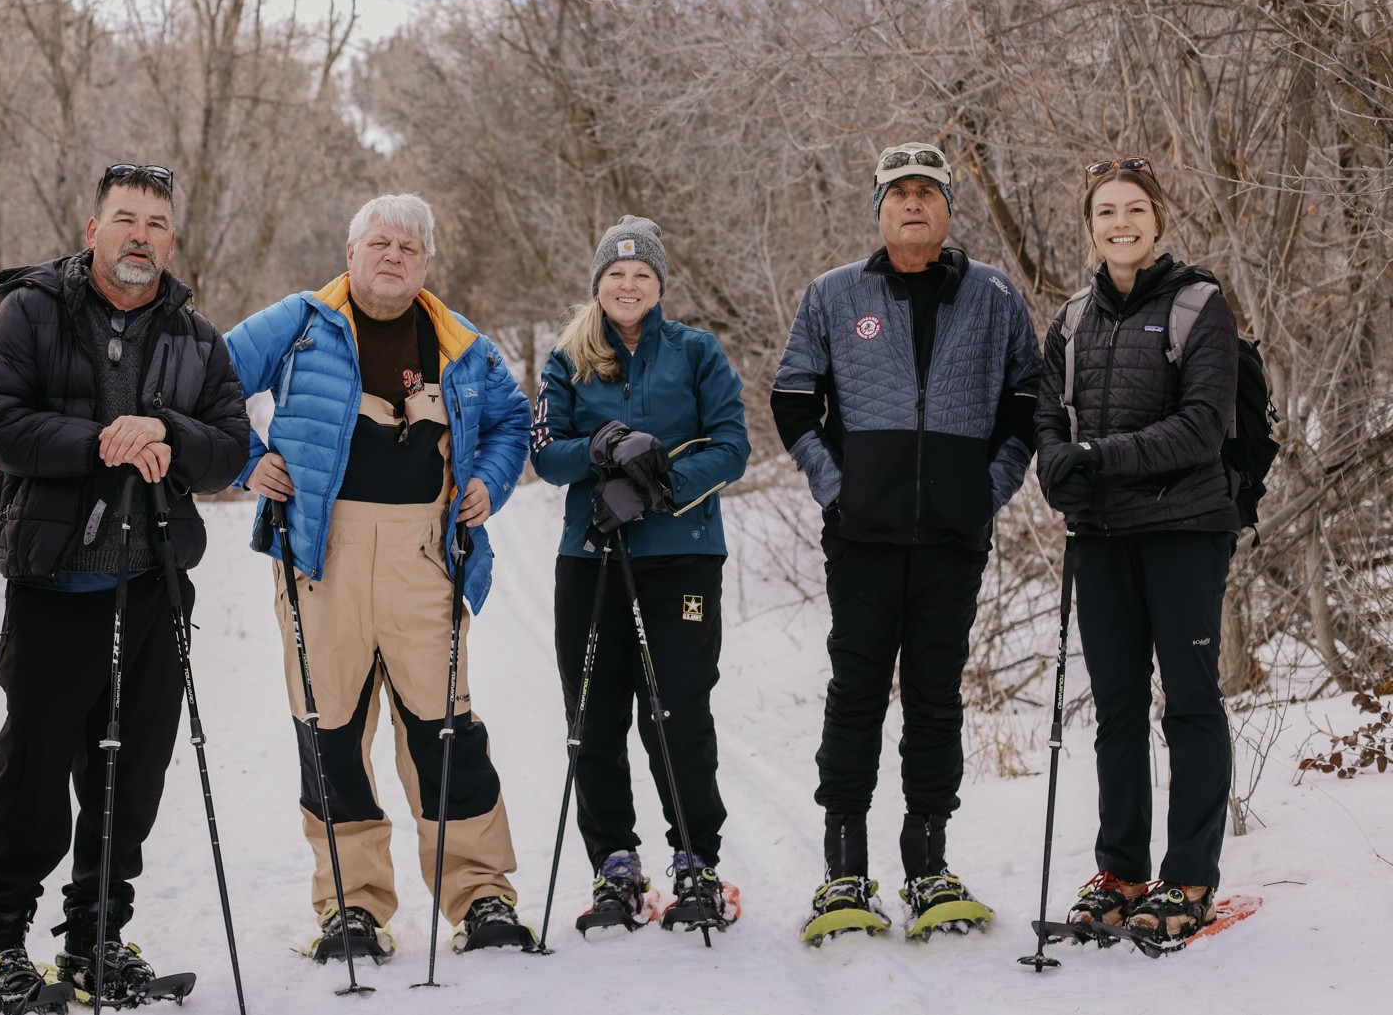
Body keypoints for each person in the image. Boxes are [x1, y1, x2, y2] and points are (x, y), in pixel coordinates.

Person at [0, 164, 249, 1008]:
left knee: (131, 778)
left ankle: (94, 940)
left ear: (170, 238)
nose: (141, 235)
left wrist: (165, 429)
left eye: (157, 222)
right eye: (126, 218)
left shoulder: (195, 336)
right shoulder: (31, 311)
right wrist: (102, 442)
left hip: (152, 585)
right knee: (34, 777)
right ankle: (0, 944)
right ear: (93, 230)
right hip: (55, 586)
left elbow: (230, 446)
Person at [224, 193, 534, 959]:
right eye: (379, 243)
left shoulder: (460, 342)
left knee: (445, 729)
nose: (392, 256)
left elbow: (512, 420)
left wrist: (491, 480)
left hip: (424, 558)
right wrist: (244, 460)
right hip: (319, 560)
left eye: (408, 246)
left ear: (425, 263)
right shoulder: (299, 321)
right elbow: (206, 379)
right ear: (352, 250)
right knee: (329, 735)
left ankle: (482, 895)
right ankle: (351, 906)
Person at [770, 142, 1041, 939]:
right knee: (856, 693)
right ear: (879, 210)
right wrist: (836, 485)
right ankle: (845, 871)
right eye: (898, 193)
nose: (913, 203)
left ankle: (928, 864)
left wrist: (985, 491)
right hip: (864, 537)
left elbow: (1027, 404)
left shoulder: (992, 295)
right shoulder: (833, 295)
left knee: (935, 697)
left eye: (927, 191)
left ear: (948, 208)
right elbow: (792, 399)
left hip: (953, 540)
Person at [1034, 157, 1238, 943]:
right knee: (1116, 707)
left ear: (1158, 218)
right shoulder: (1074, 317)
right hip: (1103, 536)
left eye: (1134, 209)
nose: (1120, 223)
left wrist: (1101, 457)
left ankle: (1189, 876)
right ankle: (1121, 868)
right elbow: (1050, 419)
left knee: (1188, 702)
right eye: (1106, 212)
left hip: (1185, 529)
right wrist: (1058, 470)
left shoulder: (1198, 305)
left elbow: (1202, 424)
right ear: (1090, 225)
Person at [529, 215, 751, 932]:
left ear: (659, 285)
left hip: (681, 554)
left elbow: (733, 445)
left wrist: (661, 482)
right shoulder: (567, 356)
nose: (629, 285)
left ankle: (696, 858)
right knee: (594, 716)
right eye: (616, 274)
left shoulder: (695, 350)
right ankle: (615, 862)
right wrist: (601, 447)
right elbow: (547, 454)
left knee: (676, 711)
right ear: (598, 283)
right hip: (591, 558)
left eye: (643, 275)